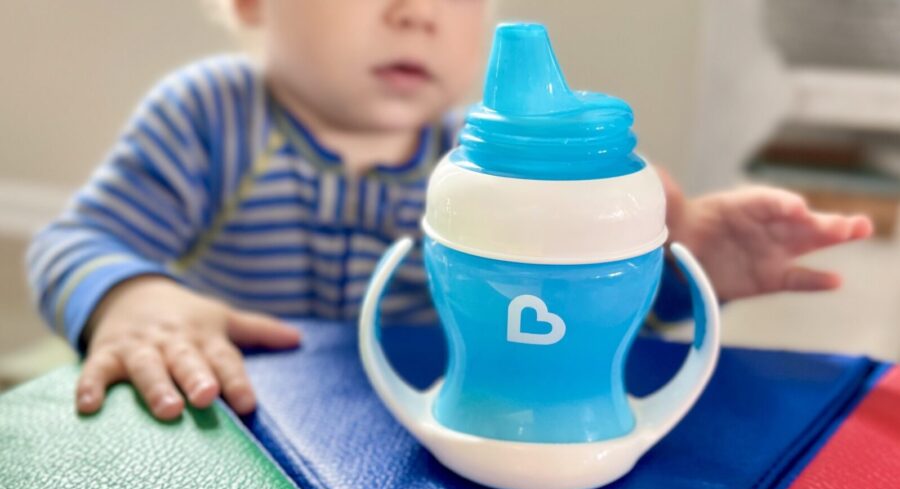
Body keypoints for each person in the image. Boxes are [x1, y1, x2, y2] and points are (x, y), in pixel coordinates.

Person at [27, 0, 873, 421]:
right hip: (238, 419)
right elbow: (80, 237)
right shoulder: (211, 116)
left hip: (416, 428)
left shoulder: (477, 165)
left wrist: (672, 275)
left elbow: (548, 322)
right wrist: (130, 299)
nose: (417, 14)